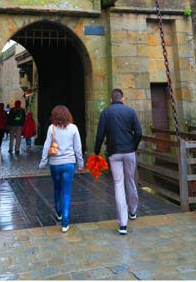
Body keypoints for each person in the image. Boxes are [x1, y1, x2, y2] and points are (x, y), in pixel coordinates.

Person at [94, 88, 142, 235]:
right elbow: (138, 132)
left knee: (118, 184)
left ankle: (123, 224)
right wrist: (133, 146)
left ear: (111, 100)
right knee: (130, 181)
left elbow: (100, 134)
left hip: (114, 153)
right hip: (129, 151)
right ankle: (133, 211)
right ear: (123, 99)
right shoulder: (130, 112)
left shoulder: (106, 113)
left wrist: (96, 152)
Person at [39, 105, 84, 232]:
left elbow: (46, 146)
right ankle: (65, 223)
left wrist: (43, 162)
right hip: (69, 164)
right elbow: (78, 148)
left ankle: (59, 212)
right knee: (67, 193)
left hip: (55, 164)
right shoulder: (74, 128)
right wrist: (80, 164)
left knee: (57, 188)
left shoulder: (51, 128)